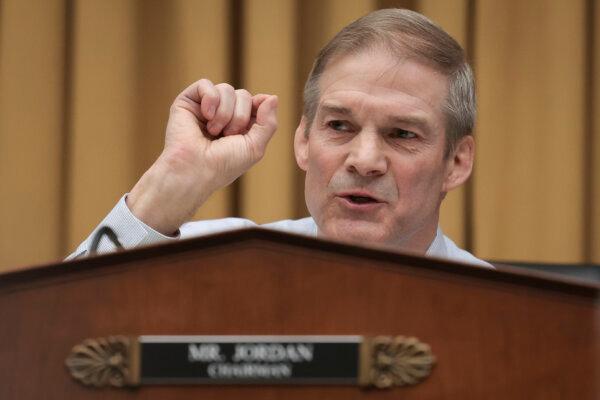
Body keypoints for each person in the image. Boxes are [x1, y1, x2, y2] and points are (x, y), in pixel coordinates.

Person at [69, 8, 490, 268]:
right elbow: (39, 335)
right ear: (303, 139)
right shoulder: (219, 262)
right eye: (338, 126)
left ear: (456, 162)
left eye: (401, 134)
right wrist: (170, 184)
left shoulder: (504, 315)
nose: (364, 160)